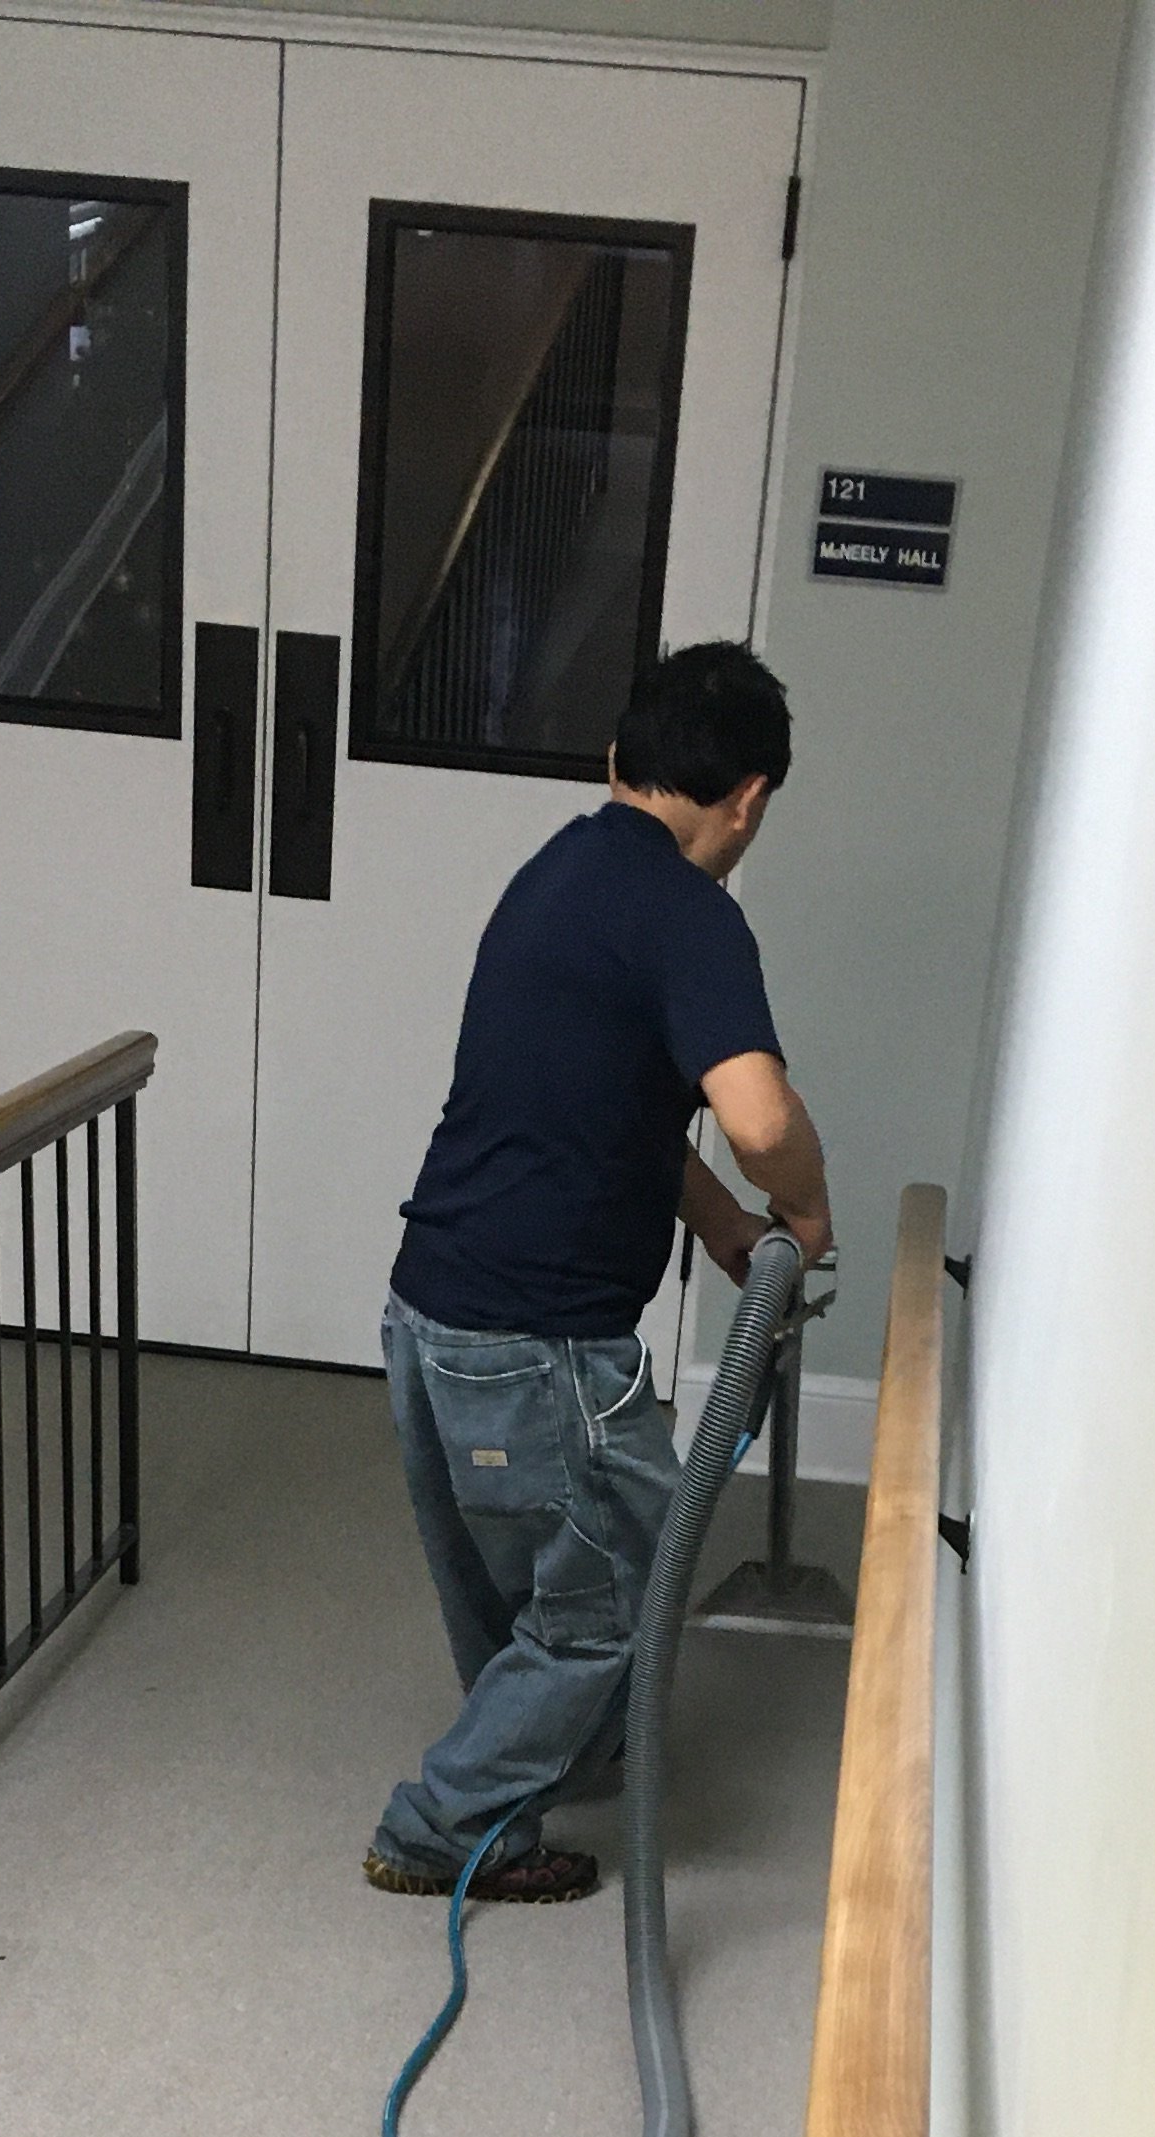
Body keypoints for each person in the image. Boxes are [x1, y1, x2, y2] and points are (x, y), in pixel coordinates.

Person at [365, 641, 831, 1903]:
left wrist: (723, 1226)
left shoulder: (554, 876)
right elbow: (758, 1117)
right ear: (749, 799)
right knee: (620, 1590)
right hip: (539, 1345)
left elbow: (605, 1105)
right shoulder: (690, 915)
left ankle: (548, 1753)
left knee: (519, 1586)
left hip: (429, 1311)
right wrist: (801, 1205)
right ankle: (442, 1828)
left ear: (619, 757)